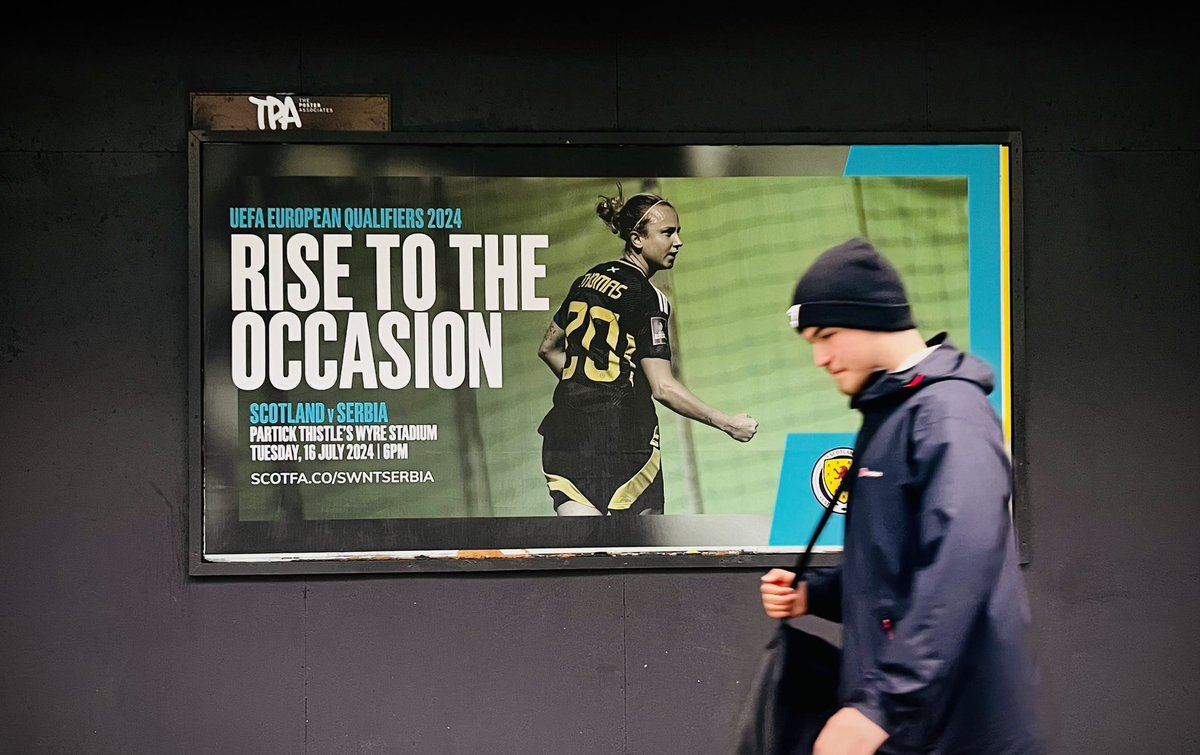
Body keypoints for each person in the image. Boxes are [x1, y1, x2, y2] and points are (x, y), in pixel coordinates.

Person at [759, 238, 1045, 754]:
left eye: (827, 335)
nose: (820, 358)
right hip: (914, 728)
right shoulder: (893, 413)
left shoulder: (947, 415)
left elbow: (959, 566)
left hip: (959, 732)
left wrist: (880, 708)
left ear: (871, 318)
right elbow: (897, 565)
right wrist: (815, 594)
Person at [536, 184, 758, 516]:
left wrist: (585, 383)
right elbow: (663, 387)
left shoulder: (586, 280)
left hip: (567, 436)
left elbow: (548, 348)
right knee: (641, 557)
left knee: (586, 558)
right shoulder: (648, 297)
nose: (678, 241)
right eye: (668, 232)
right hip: (624, 438)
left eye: (678, 232)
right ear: (637, 239)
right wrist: (726, 422)